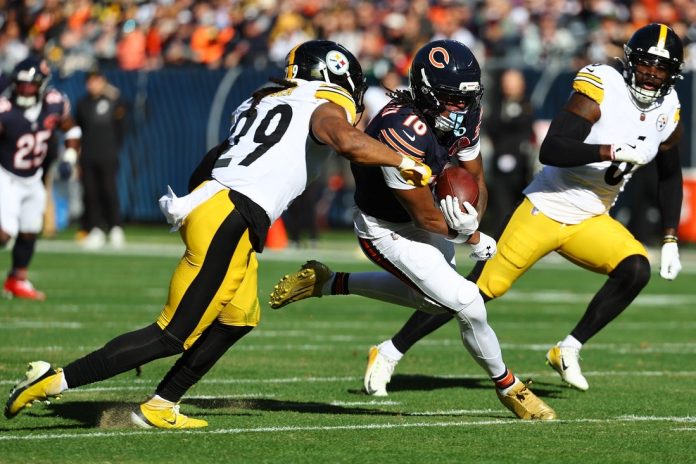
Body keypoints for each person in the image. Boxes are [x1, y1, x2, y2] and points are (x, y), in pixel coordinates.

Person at [4, 40, 431, 429]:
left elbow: (216, 155)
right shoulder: (324, 104)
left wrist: (199, 205)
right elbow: (345, 140)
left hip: (223, 207)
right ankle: (53, 380)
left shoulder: (263, 99)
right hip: (232, 214)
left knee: (238, 318)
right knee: (171, 334)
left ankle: (161, 404)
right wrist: (403, 160)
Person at [284, 23, 685, 396]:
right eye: (646, 64)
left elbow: (669, 174)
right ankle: (392, 350)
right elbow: (553, 149)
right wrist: (609, 150)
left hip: (594, 215)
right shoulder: (602, 86)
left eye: (662, 68)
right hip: (546, 207)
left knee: (635, 268)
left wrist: (669, 237)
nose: (652, 74)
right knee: (474, 292)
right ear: (630, 61)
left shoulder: (669, 108)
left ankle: (569, 348)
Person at [270, 40, 556, 421]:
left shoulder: (464, 114)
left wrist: (473, 217)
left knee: (438, 302)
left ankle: (331, 282)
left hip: (428, 212)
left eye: (466, 98)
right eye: (452, 98)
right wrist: (470, 236)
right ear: (427, 92)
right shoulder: (399, 129)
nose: (461, 107)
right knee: (468, 301)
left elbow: (475, 178)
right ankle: (510, 388)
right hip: (385, 227)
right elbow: (423, 216)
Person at [0, 57, 82, 300]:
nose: (25, 89)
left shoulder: (54, 103)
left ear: (42, 85)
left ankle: (17, 280)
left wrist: (69, 158)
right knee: (5, 235)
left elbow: (72, 129)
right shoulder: (5, 109)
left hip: (33, 177)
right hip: (6, 174)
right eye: (21, 84)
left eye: (31, 84)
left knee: (30, 230)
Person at [75, 70, 127, 250]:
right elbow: (78, 130)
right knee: (91, 193)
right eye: (90, 81)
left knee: (109, 190)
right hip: (88, 155)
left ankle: (115, 227)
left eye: (96, 81)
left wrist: (113, 148)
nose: (93, 85)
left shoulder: (113, 101)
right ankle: (95, 228)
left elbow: (121, 128)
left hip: (108, 154)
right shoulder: (82, 104)